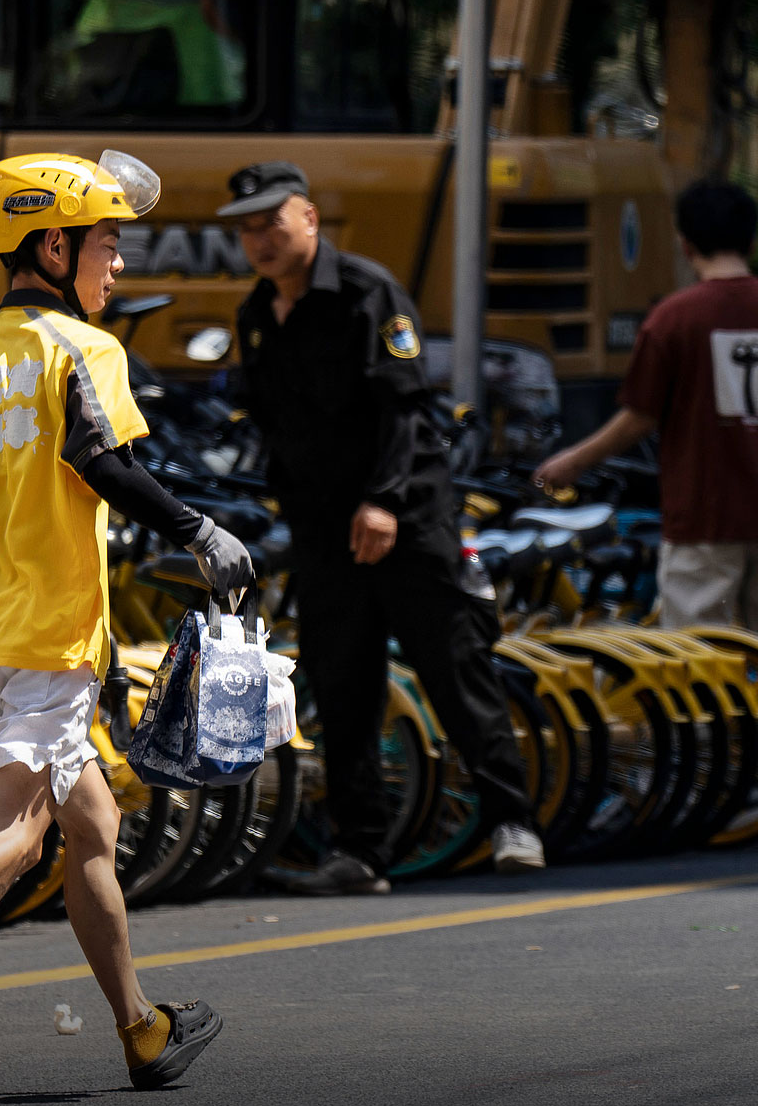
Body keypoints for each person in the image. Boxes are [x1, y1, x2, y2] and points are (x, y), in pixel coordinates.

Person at [0, 151, 246, 1092]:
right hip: (46, 627)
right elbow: (105, 464)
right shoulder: (83, 352)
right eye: (108, 244)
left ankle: (140, 1027)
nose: (118, 265)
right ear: (55, 246)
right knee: (19, 828)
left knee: (90, 824)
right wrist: (198, 531)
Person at [224, 160, 546, 894]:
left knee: (452, 668)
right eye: (247, 230)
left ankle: (512, 821)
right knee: (343, 689)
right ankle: (360, 852)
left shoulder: (369, 293)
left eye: (272, 222)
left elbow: (405, 408)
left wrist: (386, 503)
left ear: (308, 217)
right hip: (325, 531)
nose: (260, 241)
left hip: (406, 518)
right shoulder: (255, 315)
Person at [535, 178, 758, 842]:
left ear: (684, 243)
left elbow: (639, 417)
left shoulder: (673, 319)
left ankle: (705, 787)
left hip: (703, 515)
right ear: (754, 239)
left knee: (696, 660)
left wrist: (571, 461)